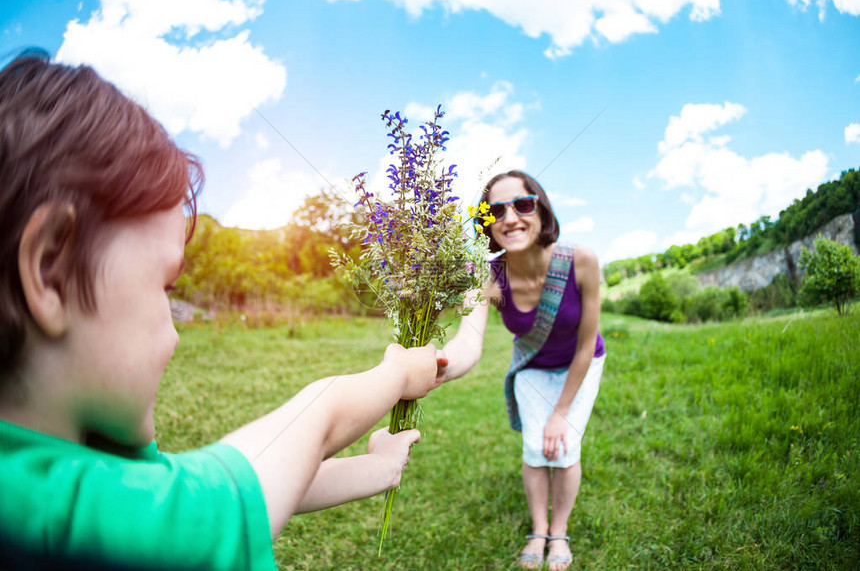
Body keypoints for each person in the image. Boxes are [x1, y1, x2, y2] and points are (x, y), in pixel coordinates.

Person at [0, 50, 445, 570]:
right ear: (51, 270)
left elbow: (273, 478)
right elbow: (296, 440)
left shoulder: (57, 468)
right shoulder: (55, 517)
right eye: (164, 286)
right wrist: (395, 373)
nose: (175, 335)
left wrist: (376, 470)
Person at [439, 170, 606, 571]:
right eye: (496, 210)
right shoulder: (488, 277)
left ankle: (559, 532)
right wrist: (440, 366)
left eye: (522, 204)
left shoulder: (580, 259)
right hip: (531, 365)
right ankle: (538, 528)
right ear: (487, 223)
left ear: (541, 208)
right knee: (535, 448)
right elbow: (468, 341)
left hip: (581, 364)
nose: (510, 217)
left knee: (563, 448)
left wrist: (561, 412)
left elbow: (586, 344)